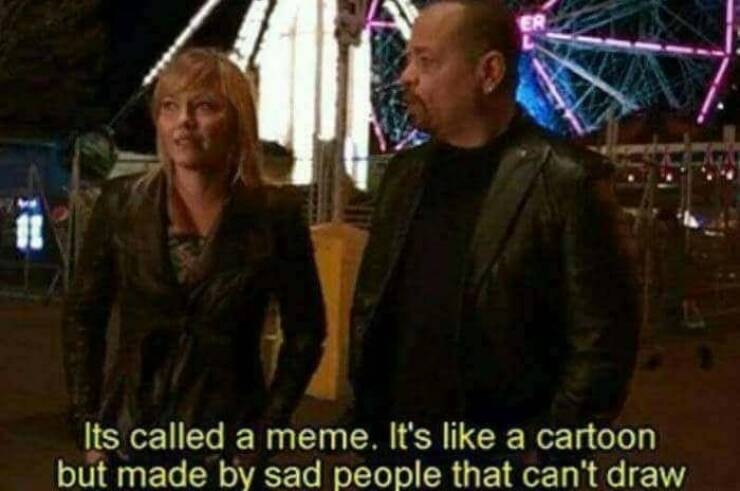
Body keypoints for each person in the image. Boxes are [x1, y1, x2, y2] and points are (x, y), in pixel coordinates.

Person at [350, 0, 639, 470]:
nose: (405, 76)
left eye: (425, 61)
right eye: (407, 60)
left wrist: (544, 455)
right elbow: (375, 306)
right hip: (394, 453)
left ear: (488, 72)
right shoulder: (403, 175)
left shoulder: (568, 181)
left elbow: (602, 346)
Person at [62, 47, 325, 478]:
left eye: (204, 106)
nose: (183, 120)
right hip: (127, 443)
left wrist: (264, 435)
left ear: (238, 121)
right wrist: (89, 431)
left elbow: (306, 332)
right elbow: (82, 318)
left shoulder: (274, 215)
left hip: (226, 447)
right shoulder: (121, 203)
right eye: (170, 106)